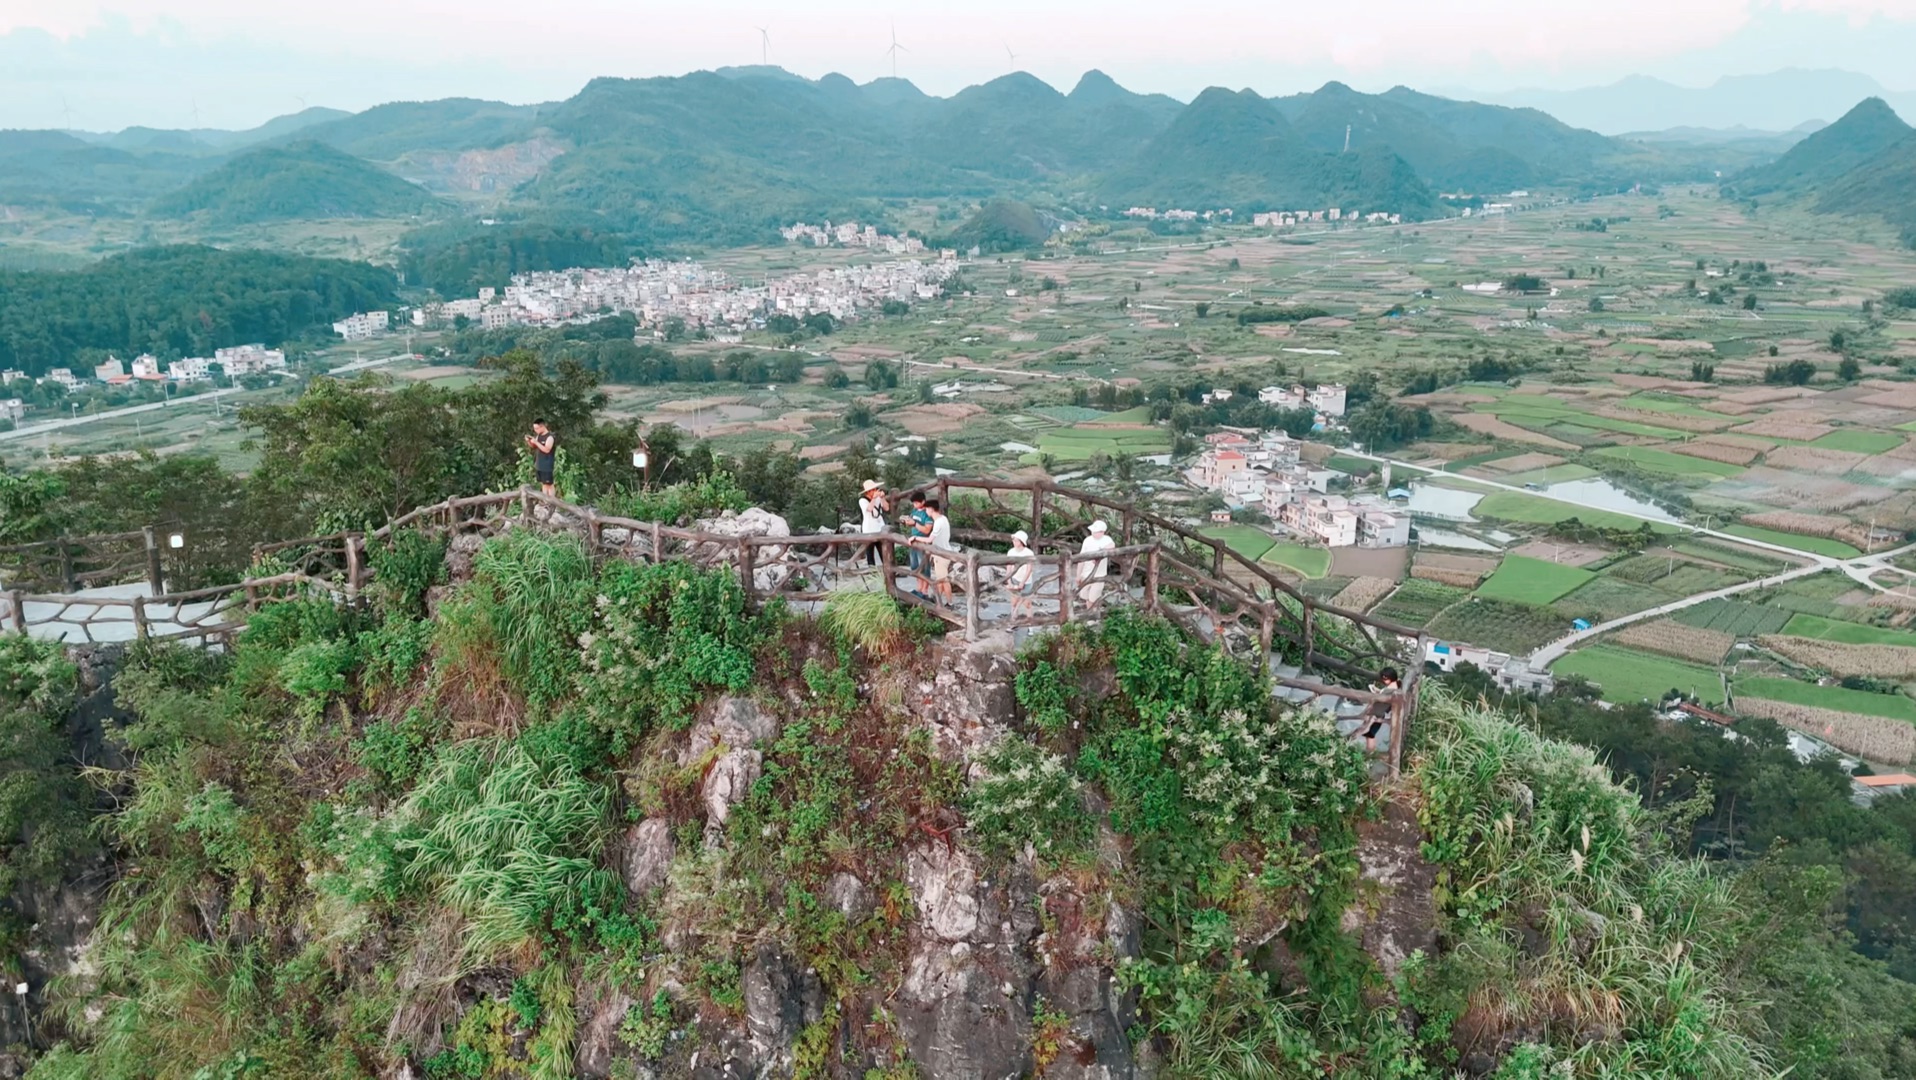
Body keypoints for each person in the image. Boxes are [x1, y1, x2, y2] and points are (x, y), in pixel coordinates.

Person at [911, 499, 956, 607]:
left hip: (941, 555)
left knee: (944, 580)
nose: (925, 511)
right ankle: (938, 599)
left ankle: (950, 603)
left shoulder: (938, 523)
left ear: (931, 509)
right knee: (940, 579)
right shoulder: (943, 519)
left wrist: (915, 537)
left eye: (926, 509)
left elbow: (929, 539)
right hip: (945, 552)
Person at [1359, 667, 1402, 754]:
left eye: (1385, 677)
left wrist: (1374, 692)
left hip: (1376, 714)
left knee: (1369, 735)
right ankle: (1371, 753)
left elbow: (1381, 699)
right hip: (1379, 713)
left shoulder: (1391, 689)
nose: (1383, 679)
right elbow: (1383, 695)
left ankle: (1370, 754)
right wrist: (1377, 690)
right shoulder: (1394, 688)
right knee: (1370, 734)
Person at [1076, 519, 1116, 608]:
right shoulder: (1087, 540)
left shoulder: (1107, 540)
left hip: (1099, 574)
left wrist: (1099, 553)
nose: (1093, 533)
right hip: (1086, 573)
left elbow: (1112, 546)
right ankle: (1090, 615)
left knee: (1094, 597)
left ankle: (1092, 617)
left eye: (1096, 531)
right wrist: (1078, 574)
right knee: (1086, 596)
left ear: (1102, 532)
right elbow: (1081, 558)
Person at [901, 493, 933, 596]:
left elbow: (927, 530)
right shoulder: (914, 512)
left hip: (923, 542)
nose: (914, 505)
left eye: (916, 502)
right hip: (913, 541)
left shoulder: (927, 514)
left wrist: (915, 524)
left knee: (924, 566)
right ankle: (919, 587)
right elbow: (910, 522)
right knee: (915, 566)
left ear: (923, 502)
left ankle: (925, 590)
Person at [1004, 529, 1037, 618]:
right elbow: (1009, 567)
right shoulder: (1011, 552)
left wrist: (1023, 582)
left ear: (1021, 542)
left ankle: (1030, 626)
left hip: (1026, 581)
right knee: (1014, 602)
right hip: (1015, 579)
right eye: (1014, 540)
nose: (1013, 542)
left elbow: (1029, 569)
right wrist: (1009, 582)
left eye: (1016, 540)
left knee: (1027, 603)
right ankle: (1013, 622)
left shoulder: (1029, 553)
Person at [857, 480, 889, 568]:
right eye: (873, 489)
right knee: (870, 553)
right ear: (868, 492)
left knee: (883, 552)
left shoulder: (878, 498)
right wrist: (874, 499)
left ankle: (887, 570)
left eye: (875, 489)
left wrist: (882, 498)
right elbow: (869, 509)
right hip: (869, 530)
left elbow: (886, 508)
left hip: (879, 529)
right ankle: (872, 572)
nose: (875, 491)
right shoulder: (862, 500)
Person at [524, 420, 557, 498]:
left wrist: (536, 442)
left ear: (542, 426)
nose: (535, 431)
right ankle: (545, 500)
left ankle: (552, 501)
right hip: (539, 464)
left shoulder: (550, 437)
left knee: (549, 484)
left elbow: (547, 449)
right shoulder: (539, 436)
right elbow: (535, 447)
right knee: (543, 483)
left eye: (537, 428)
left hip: (547, 464)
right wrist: (529, 442)